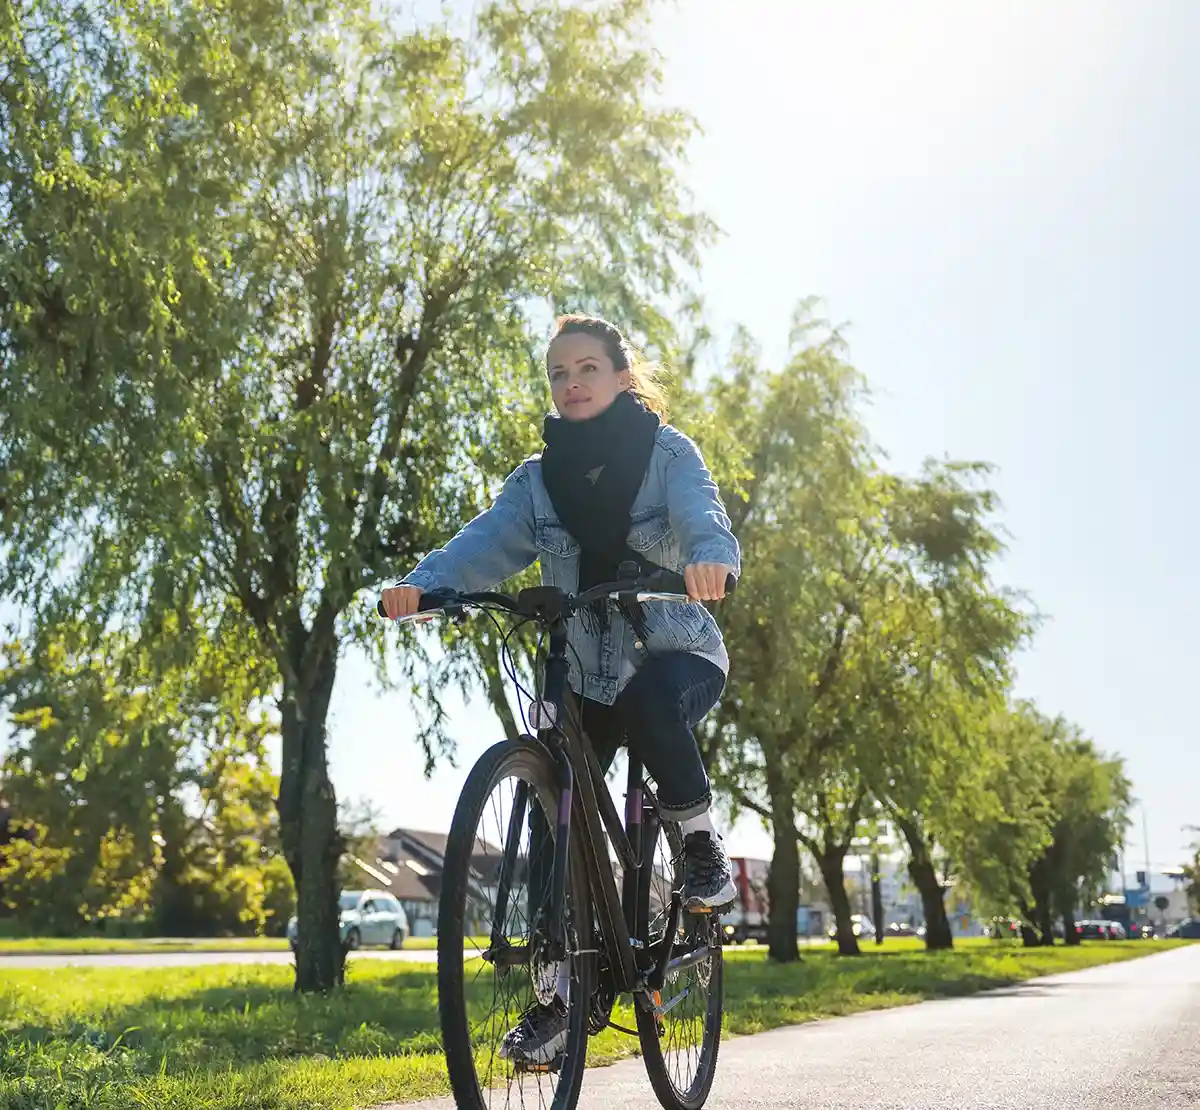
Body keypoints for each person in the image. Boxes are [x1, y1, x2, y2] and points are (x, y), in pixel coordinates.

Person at [381, 313, 741, 1064]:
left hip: (675, 648)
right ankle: (561, 992)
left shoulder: (667, 453)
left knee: (649, 707)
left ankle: (701, 848)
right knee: (552, 793)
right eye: (557, 374)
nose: (571, 383)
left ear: (620, 375)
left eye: (586, 369)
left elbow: (702, 512)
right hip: (584, 666)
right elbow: (485, 541)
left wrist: (709, 560)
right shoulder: (537, 480)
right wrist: (424, 586)